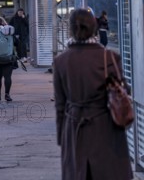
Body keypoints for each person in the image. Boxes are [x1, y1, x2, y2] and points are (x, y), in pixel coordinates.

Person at [53, 9, 132, 180]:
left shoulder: (61, 61)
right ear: (94, 27)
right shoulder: (110, 58)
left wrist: (62, 138)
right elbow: (124, 90)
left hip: (74, 129)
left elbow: (60, 104)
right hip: (106, 129)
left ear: (72, 29)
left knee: (79, 173)